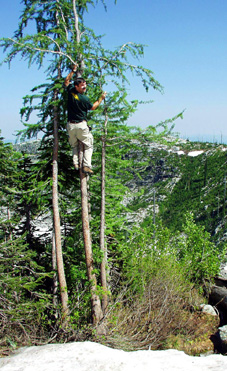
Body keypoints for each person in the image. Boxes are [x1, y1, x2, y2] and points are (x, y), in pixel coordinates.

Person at [64, 64, 106, 175]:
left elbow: (66, 81)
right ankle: (86, 166)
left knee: (74, 145)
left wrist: (73, 70)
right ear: (77, 86)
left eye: (85, 85)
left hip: (70, 125)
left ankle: (76, 164)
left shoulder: (71, 91)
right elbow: (93, 107)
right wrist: (101, 99)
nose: (84, 88)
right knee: (88, 144)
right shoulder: (84, 98)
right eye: (83, 86)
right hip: (81, 126)